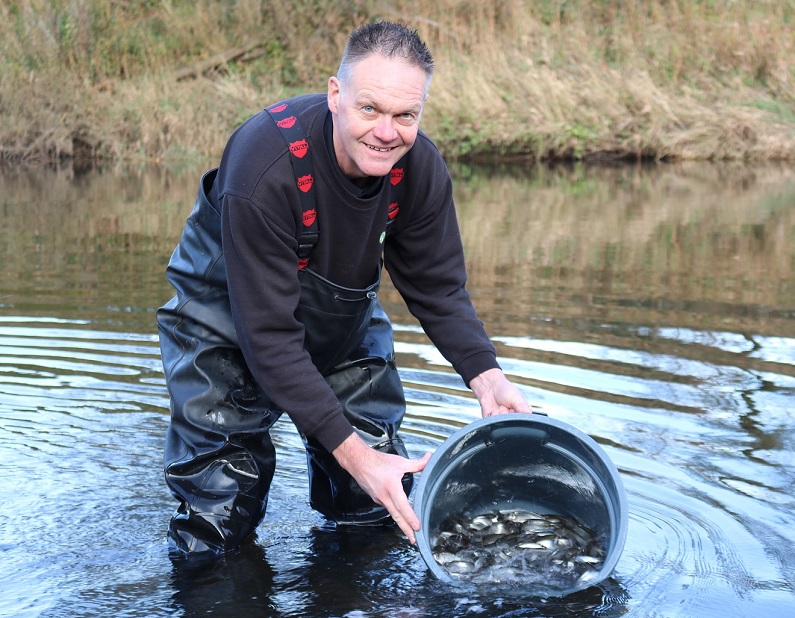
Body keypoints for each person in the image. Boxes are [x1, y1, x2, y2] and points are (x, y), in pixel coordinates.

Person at [157, 21, 532, 561]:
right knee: (219, 521)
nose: (387, 132)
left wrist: (487, 376)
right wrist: (353, 452)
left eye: (406, 116)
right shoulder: (265, 167)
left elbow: (438, 287)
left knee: (379, 500)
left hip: (342, 325)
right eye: (370, 109)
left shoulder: (419, 169)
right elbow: (268, 338)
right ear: (336, 95)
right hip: (226, 329)